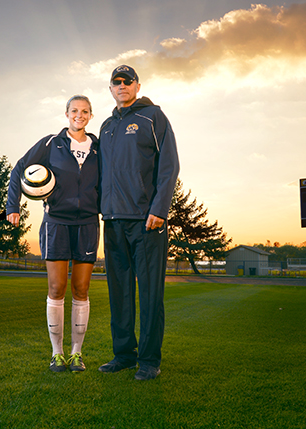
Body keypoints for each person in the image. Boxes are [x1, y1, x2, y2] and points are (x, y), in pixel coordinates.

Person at [5, 95, 99, 373]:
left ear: (90, 116)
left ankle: (76, 354)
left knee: (81, 290)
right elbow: (19, 168)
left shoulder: (99, 147)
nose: (79, 115)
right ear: (66, 113)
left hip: (88, 224)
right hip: (56, 221)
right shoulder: (51, 143)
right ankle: (57, 353)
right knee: (57, 288)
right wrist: (13, 205)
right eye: (74, 111)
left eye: (84, 111)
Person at [97, 65, 180, 380]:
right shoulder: (106, 127)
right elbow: (100, 175)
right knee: (119, 293)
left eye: (127, 81)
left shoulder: (152, 118)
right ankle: (123, 355)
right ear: (111, 89)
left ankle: (148, 360)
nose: (121, 86)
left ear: (137, 85)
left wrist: (159, 209)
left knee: (149, 293)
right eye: (116, 82)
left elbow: (169, 166)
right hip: (113, 221)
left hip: (147, 222)